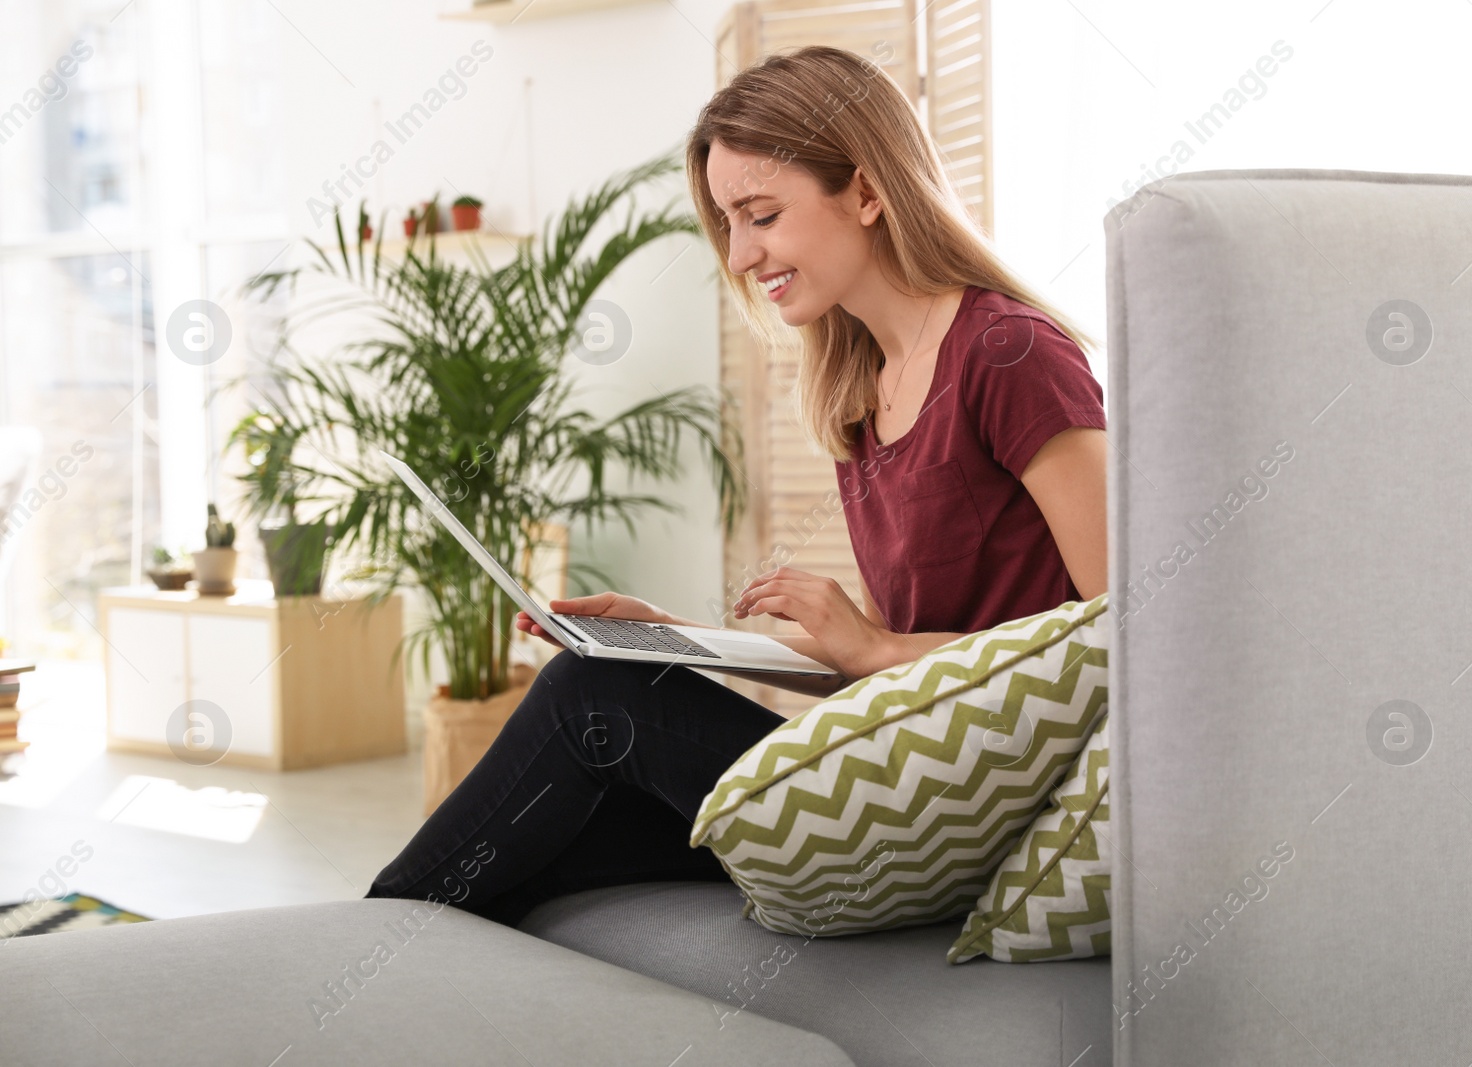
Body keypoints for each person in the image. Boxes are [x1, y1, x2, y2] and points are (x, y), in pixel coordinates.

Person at [363, 44, 1108, 926]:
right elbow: (901, 671)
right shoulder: (861, 389)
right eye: (727, 223)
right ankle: (389, 979)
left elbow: (1124, 630)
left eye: (761, 214)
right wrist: (680, 643)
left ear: (867, 192)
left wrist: (874, 649)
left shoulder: (1007, 353)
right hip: (911, 761)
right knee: (543, 843)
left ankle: (358, 942)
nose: (742, 253)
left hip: (976, 807)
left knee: (582, 698)